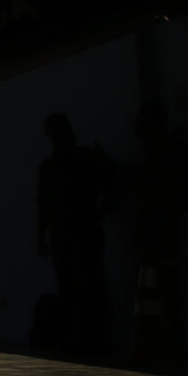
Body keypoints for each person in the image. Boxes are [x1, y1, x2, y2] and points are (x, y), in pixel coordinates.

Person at [36, 111, 117, 356]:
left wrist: (41, 235)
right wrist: (41, 235)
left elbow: (44, 204)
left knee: (87, 287)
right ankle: (84, 339)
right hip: (70, 233)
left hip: (78, 232)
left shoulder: (79, 160)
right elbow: (43, 204)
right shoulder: (60, 164)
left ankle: (92, 340)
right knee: (77, 288)